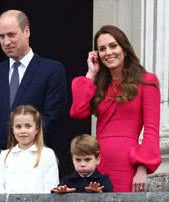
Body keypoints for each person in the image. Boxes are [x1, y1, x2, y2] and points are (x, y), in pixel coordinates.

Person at [70, 25, 161, 192]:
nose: (108, 52)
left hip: (128, 165)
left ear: (124, 49)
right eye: (102, 49)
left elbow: (151, 130)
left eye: (113, 46)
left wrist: (142, 168)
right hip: (98, 163)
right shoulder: (100, 85)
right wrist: (91, 74)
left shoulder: (147, 81)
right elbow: (78, 111)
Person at [0, 9, 67, 150]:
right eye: (2, 36)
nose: (6, 42)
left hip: (36, 157)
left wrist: (24, 149)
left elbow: (53, 118)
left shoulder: (52, 70)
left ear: (26, 32)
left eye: (11, 35)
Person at [0, 105, 59, 193]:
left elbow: (51, 187)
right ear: (12, 129)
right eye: (18, 127)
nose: (23, 131)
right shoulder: (4, 156)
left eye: (28, 126)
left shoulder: (47, 154)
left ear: (37, 129)